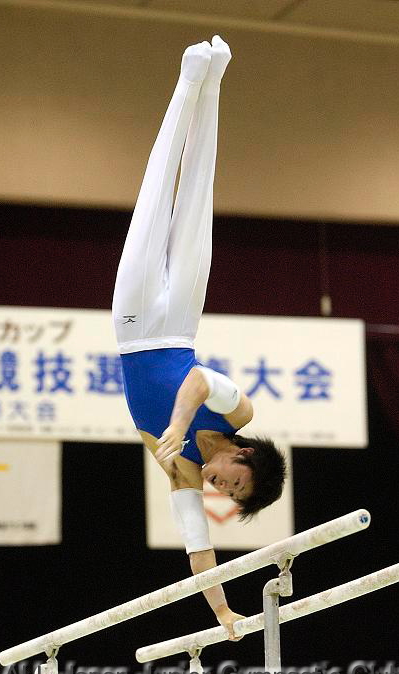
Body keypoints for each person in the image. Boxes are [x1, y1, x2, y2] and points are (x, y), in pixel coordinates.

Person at [112, 36, 286, 639]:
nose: (217, 485)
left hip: (133, 329)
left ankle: (188, 79)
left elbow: (197, 547)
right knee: (195, 202)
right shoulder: (239, 411)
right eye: (233, 481)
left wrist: (224, 615)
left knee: (155, 197)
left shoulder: (181, 473)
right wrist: (179, 430)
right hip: (180, 323)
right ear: (246, 453)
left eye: (227, 492)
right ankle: (211, 82)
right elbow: (195, 378)